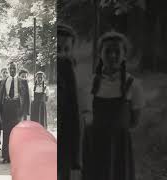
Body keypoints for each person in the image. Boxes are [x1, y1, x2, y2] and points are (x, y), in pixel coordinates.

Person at [84, 31, 145, 180]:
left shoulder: (133, 85)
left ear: (124, 55)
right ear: (100, 53)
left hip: (119, 148)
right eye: (108, 51)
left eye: (117, 51)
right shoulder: (89, 83)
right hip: (95, 146)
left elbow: (134, 121)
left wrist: (116, 130)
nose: (112, 55)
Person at [58, 23, 84, 180]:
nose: (62, 54)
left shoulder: (71, 71)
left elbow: (75, 114)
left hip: (66, 140)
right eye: (57, 49)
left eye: (66, 50)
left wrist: (76, 158)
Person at [0, 62, 30, 163]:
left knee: (16, 133)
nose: (12, 70)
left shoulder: (23, 81)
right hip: (6, 108)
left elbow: (27, 98)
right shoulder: (3, 81)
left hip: (17, 108)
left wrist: (26, 113)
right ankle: (6, 156)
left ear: (17, 69)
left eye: (14, 68)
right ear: (8, 69)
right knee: (6, 132)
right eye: (10, 68)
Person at [0, 67, 9, 151]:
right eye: (3, 72)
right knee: (0, 126)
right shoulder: (0, 82)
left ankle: (6, 143)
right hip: (1, 107)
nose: (5, 74)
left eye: (6, 72)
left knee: (7, 126)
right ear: (1, 74)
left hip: (9, 107)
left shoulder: (11, 82)